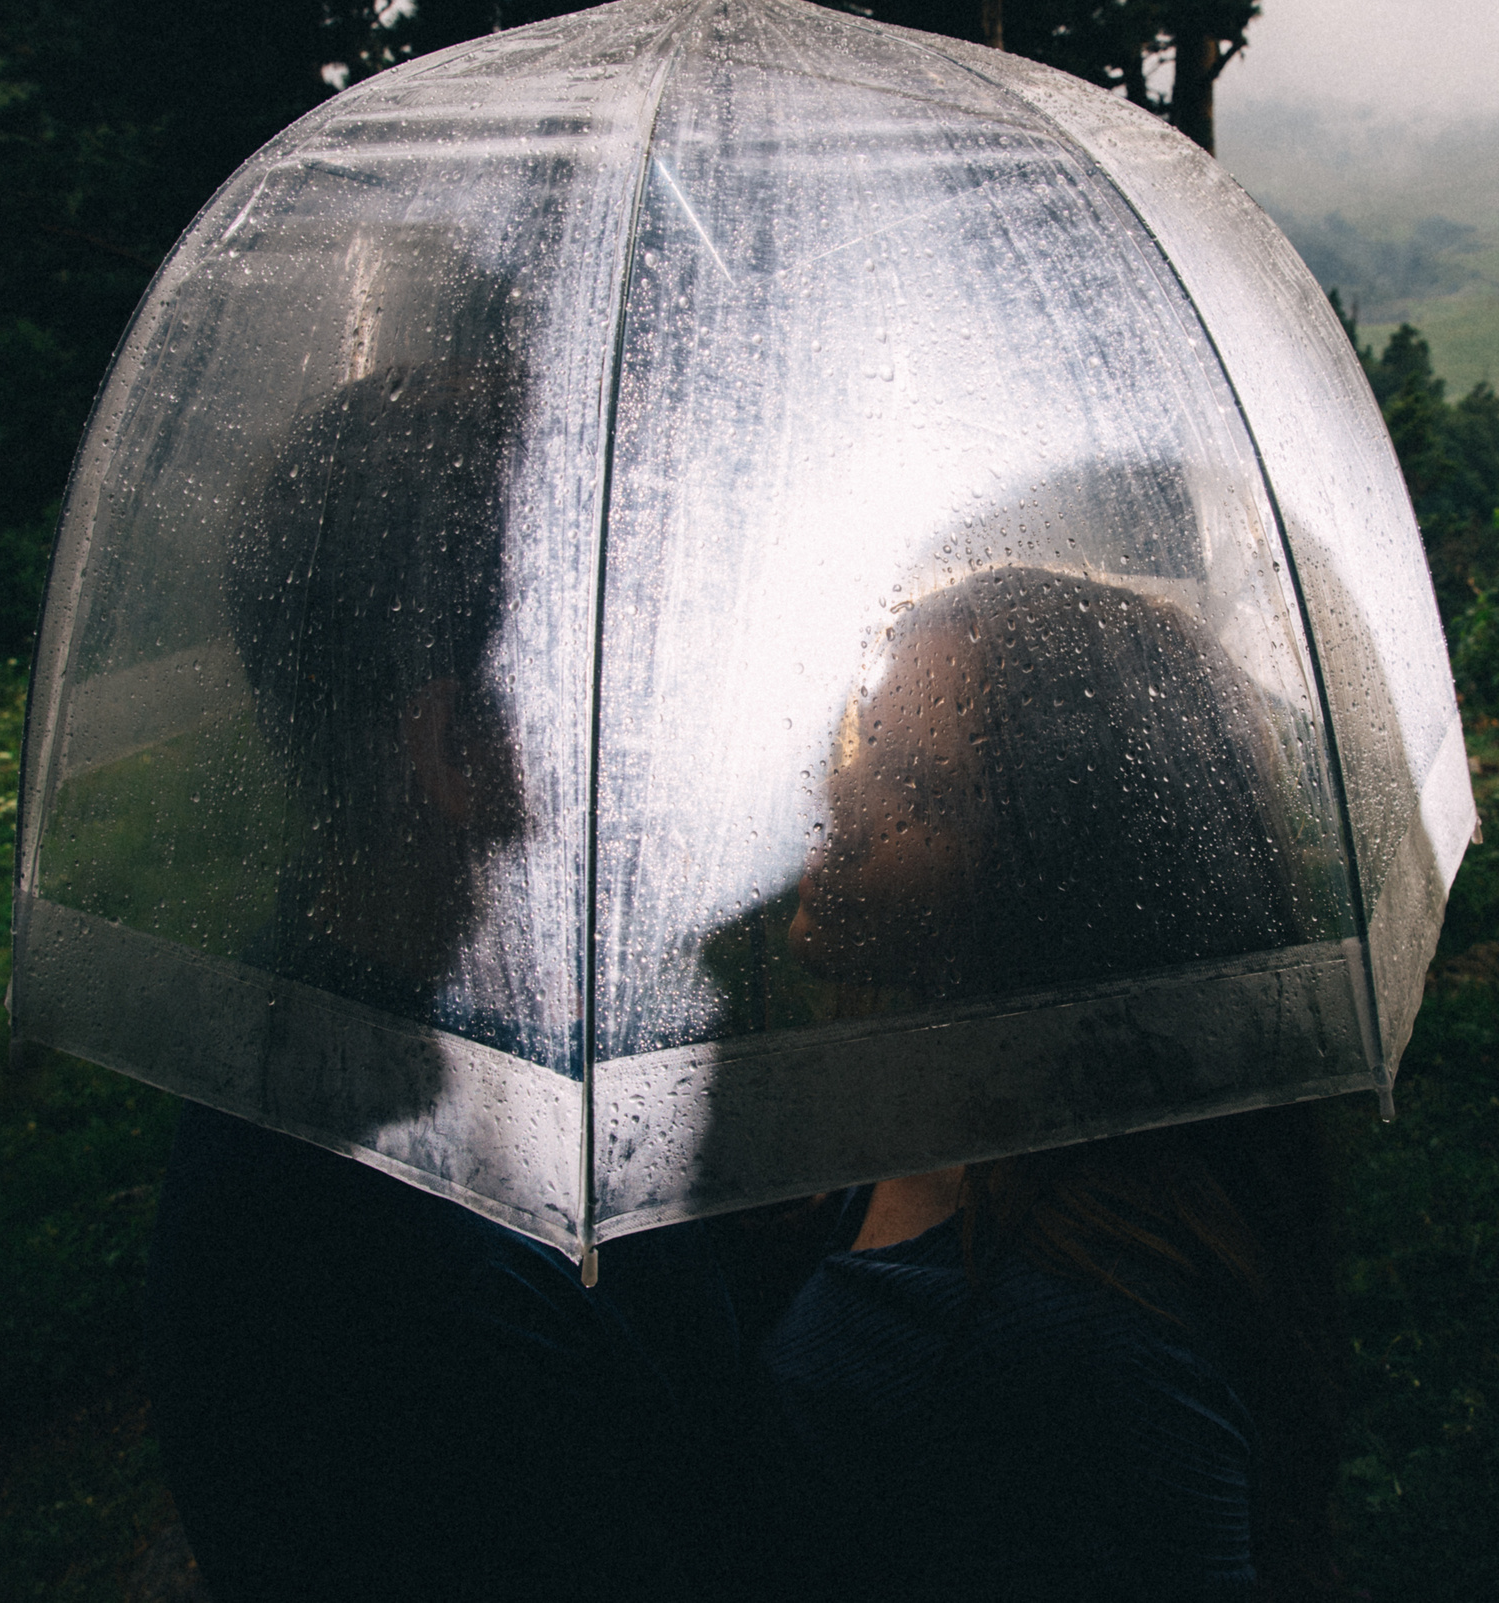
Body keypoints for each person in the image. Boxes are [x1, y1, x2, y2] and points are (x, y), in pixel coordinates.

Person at [145, 360, 746, 1601]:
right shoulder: (407, 1278)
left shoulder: (440, 1035)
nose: (704, 727)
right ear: (464, 750)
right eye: (645, 666)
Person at [762, 566, 1348, 1602]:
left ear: (1054, 893)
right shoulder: (916, 1127)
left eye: (917, 788)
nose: (836, 798)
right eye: (864, 743)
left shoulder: (1095, 1338)